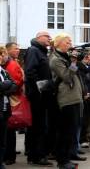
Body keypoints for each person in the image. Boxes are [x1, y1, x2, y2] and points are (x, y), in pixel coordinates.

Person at [49, 33, 86, 168]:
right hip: (65, 99)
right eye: (67, 42)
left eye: (70, 42)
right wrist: (74, 62)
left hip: (74, 97)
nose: (70, 44)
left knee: (71, 131)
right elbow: (67, 77)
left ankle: (67, 158)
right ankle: (62, 161)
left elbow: (80, 72)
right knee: (65, 131)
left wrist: (77, 61)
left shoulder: (65, 57)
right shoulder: (55, 59)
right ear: (58, 43)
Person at [24, 31, 54, 166]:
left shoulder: (41, 51)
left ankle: (35, 154)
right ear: (38, 37)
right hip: (38, 96)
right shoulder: (34, 51)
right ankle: (36, 156)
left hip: (42, 95)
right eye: (47, 36)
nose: (50, 38)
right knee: (38, 126)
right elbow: (30, 72)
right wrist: (42, 88)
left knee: (39, 126)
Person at [3, 42, 24, 166]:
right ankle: (9, 154)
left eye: (18, 49)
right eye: (15, 49)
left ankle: (9, 155)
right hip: (10, 97)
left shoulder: (12, 64)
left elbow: (16, 82)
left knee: (9, 128)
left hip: (11, 98)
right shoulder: (11, 64)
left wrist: (6, 89)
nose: (18, 51)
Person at [0, 47, 17, 169]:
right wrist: (5, 85)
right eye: (2, 54)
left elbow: (14, 85)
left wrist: (5, 87)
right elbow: (6, 84)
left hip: (5, 109)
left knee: (2, 140)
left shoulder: (3, 71)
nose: (3, 57)